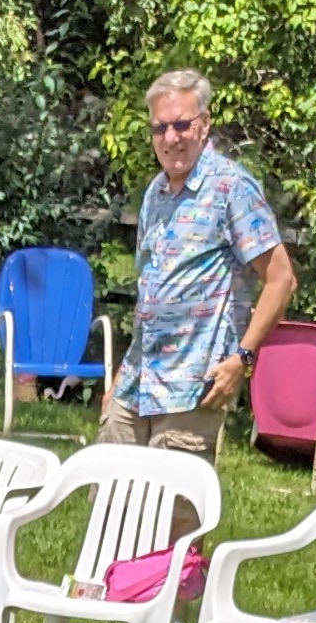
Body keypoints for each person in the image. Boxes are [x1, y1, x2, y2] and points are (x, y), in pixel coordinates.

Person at [101, 69, 295, 461]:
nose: (170, 138)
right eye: (160, 128)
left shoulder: (231, 188)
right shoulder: (156, 193)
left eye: (181, 125)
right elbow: (152, 292)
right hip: (138, 381)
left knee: (170, 498)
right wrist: (122, 374)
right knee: (109, 490)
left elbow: (281, 280)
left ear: (204, 125)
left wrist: (242, 359)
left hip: (192, 385)